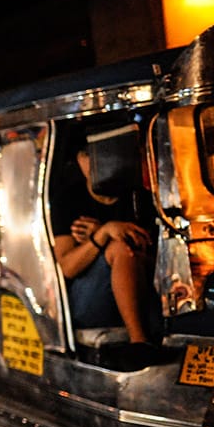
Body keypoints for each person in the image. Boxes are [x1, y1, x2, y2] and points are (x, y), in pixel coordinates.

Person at [51, 135, 164, 370]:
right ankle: (139, 341)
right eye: (84, 155)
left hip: (144, 292)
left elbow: (158, 259)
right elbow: (67, 268)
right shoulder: (68, 201)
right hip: (88, 304)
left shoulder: (139, 197)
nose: (92, 162)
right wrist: (102, 235)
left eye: (98, 153)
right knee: (119, 248)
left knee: (126, 251)